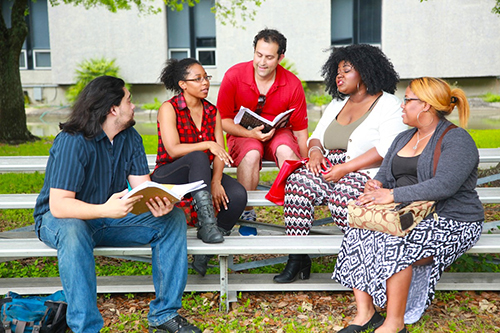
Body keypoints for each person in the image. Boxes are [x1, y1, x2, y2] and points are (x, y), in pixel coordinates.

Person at [33, 76, 201, 333]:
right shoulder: (72, 141)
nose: (134, 106)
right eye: (129, 100)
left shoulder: (130, 137)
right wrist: (104, 210)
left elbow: (143, 188)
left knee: (172, 220)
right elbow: (59, 206)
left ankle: (164, 313)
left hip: (108, 217)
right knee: (73, 229)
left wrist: (158, 203)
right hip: (60, 220)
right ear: (113, 108)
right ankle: (86, 328)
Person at [334, 77, 484, 333]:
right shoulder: (403, 138)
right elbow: (384, 175)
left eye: (407, 100)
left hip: (451, 220)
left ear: (425, 105)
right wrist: (377, 186)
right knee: (358, 228)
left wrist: (392, 195)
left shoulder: (457, 140)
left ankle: (394, 322)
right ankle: (365, 314)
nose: (402, 105)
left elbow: (444, 186)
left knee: (396, 240)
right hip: (404, 213)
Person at [275, 44, 407, 283]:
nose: (339, 76)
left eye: (346, 70)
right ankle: (297, 257)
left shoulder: (389, 104)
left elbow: (387, 149)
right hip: (328, 166)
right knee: (297, 185)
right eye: (337, 71)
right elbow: (316, 136)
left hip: (365, 170)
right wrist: (314, 152)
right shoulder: (337, 103)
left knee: (342, 199)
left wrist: (346, 168)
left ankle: (364, 259)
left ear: (366, 72)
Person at [151, 58, 247, 275]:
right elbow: (173, 149)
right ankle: (207, 225)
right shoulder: (169, 108)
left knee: (238, 195)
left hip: (201, 174)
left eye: (206, 77)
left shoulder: (212, 112)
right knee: (198, 157)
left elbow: (220, 153)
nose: (205, 83)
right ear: (183, 84)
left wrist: (216, 181)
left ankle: (204, 254)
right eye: (198, 79)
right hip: (169, 173)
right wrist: (207, 144)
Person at [217, 28, 309, 225]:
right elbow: (223, 120)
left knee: (286, 150)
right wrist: (250, 134)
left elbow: (300, 133)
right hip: (242, 134)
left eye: (269, 57)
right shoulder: (233, 75)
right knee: (251, 153)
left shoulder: (292, 84)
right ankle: (247, 211)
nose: (262, 62)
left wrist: (305, 165)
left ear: (280, 57)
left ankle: (295, 209)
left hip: (278, 133)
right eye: (258, 55)